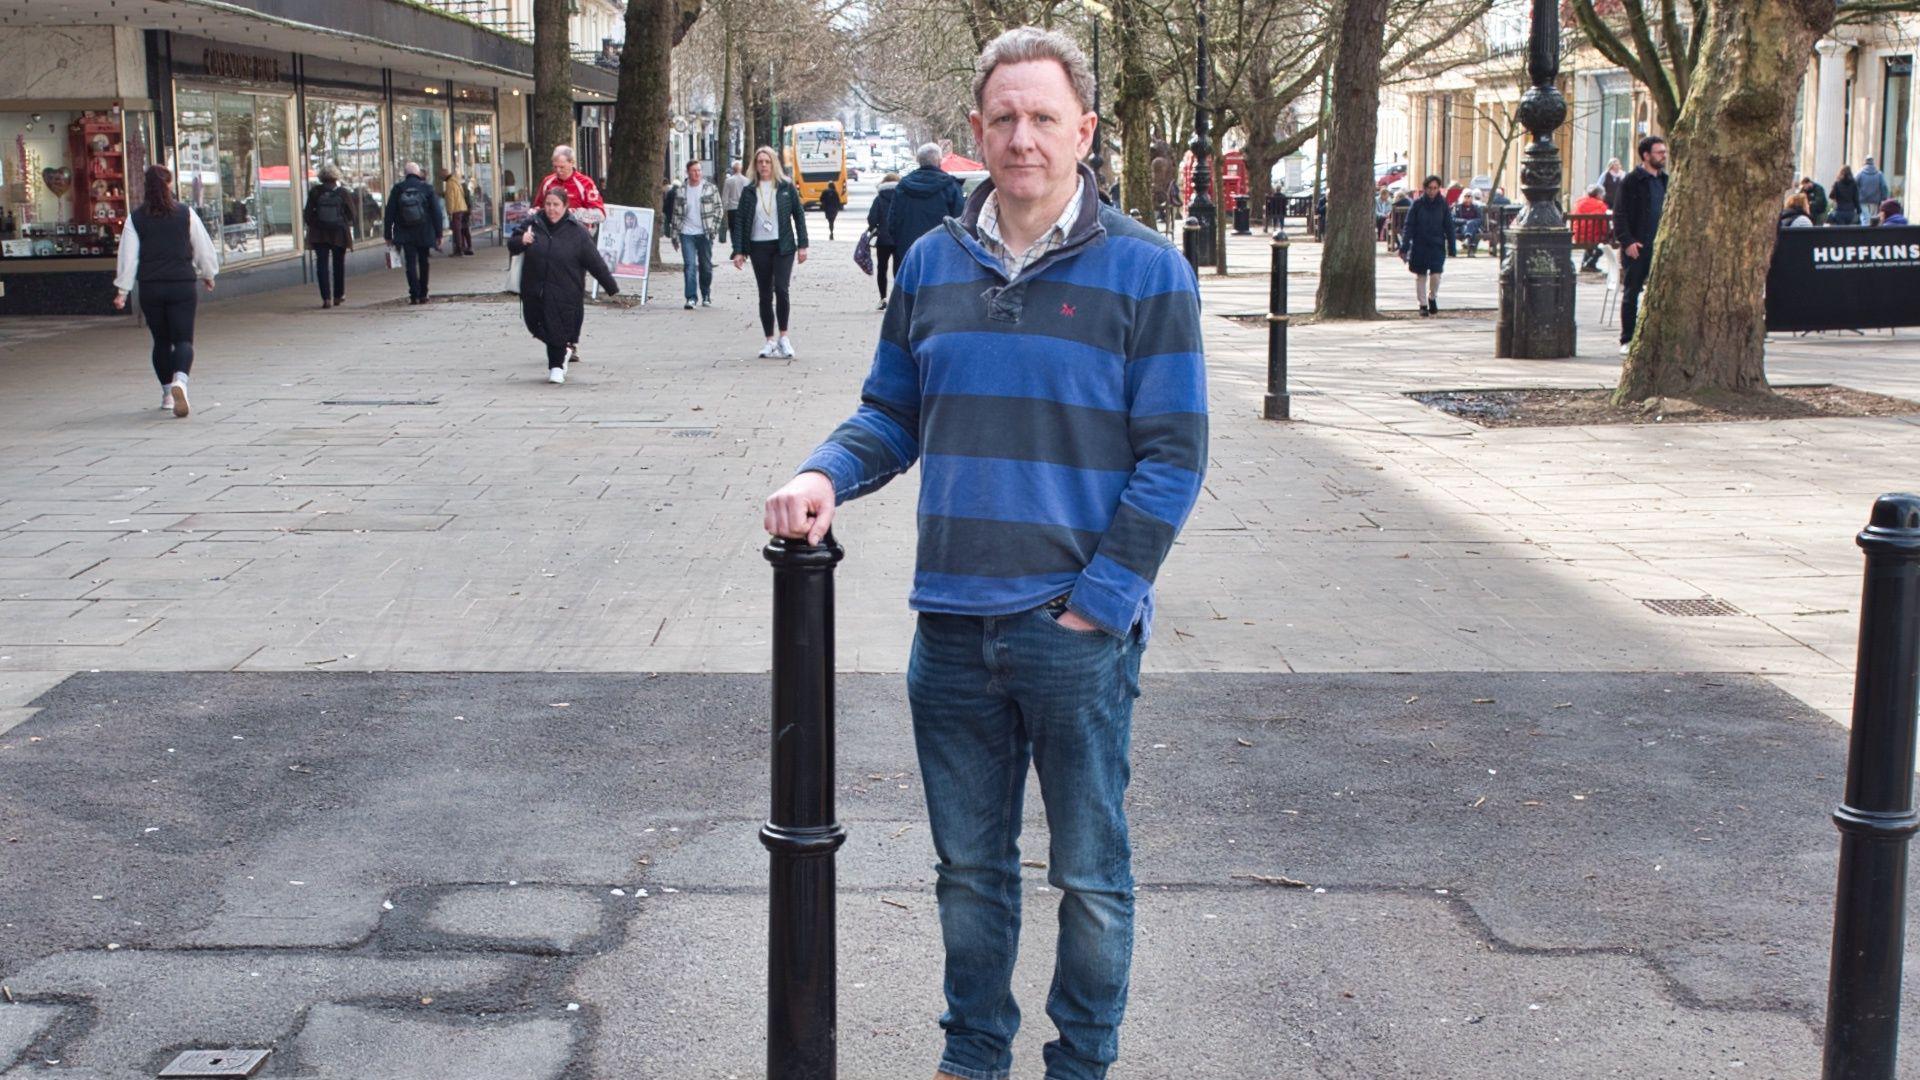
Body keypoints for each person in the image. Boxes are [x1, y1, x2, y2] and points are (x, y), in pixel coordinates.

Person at [761, 27, 1206, 1080]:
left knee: (1091, 876)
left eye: (1044, 117)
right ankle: (974, 1062)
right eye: (1003, 117)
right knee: (969, 873)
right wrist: (824, 474)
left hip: (1073, 634)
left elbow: (1174, 457)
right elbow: (890, 413)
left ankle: (1081, 1065)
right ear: (975, 130)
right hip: (951, 630)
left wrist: (1099, 602)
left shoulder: (1146, 272)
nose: (1023, 138)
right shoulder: (930, 262)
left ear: (1082, 131)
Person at [113, 164, 218, 417]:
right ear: (169, 185)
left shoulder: (135, 218)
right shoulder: (185, 213)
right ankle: (181, 380)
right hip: (182, 283)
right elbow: (202, 246)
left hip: (151, 286)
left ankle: (167, 393)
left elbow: (129, 258)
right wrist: (208, 273)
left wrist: (123, 291)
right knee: (183, 340)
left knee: (161, 341)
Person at [507, 187, 619, 385]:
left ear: (565, 206)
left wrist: (611, 288)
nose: (551, 209)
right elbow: (513, 244)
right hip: (534, 289)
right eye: (548, 204)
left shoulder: (577, 232)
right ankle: (565, 349)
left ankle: (556, 367)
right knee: (534, 325)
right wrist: (521, 240)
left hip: (565, 291)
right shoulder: (533, 223)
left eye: (556, 205)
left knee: (556, 328)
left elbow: (595, 262)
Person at [730, 145, 809, 357]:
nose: (763, 165)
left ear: (773, 163)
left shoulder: (785, 187)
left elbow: (798, 216)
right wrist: (738, 251)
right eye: (760, 162)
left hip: (783, 246)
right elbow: (740, 221)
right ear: (755, 165)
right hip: (758, 246)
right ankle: (769, 340)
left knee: (781, 289)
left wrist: (803, 245)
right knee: (765, 293)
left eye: (767, 161)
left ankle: (784, 337)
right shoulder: (749, 191)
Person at [1613, 134, 1667, 354]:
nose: (1663, 156)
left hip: (1660, 246)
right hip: (1638, 246)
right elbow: (1620, 213)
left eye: (1664, 152)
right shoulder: (1631, 181)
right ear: (1646, 155)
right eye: (1659, 152)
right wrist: (1627, 242)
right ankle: (1627, 339)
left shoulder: (1665, 180)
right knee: (1631, 292)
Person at [664, 158, 724, 309]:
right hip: (687, 233)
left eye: (699, 170)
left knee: (706, 266)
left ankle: (706, 294)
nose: (697, 173)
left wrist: (714, 229)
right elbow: (676, 215)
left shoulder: (710, 188)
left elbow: (719, 210)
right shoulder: (681, 191)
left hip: (705, 233)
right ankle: (691, 297)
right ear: (688, 172)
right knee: (689, 265)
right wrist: (674, 237)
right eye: (694, 171)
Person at [383, 162, 445, 304]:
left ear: (405, 174)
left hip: (405, 233)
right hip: (424, 231)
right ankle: (424, 293)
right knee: (424, 262)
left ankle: (414, 294)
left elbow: (389, 213)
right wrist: (439, 234)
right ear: (418, 174)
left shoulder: (398, 189)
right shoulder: (427, 188)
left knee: (410, 263)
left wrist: (388, 235)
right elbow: (436, 212)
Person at [888, 142, 966, 255]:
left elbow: (892, 221)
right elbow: (960, 222)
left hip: (908, 251)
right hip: (942, 253)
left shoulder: (902, 187)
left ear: (919, 160)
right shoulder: (951, 187)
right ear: (940, 160)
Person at [303, 162, 358, 309]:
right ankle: (338, 296)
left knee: (322, 264)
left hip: (319, 234)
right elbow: (352, 214)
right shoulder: (343, 193)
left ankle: (326, 298)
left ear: (322, 177)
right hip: (339, 233)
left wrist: (316, 223)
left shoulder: (315, 192)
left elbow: (307, 214)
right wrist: (343, 222)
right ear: (336, 177)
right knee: (338, 264)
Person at [1400, 174, 1455, 315]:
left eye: (1435, 188)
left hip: (1437, 244)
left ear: (1439, 189)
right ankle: (1423, 304)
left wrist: (1452, 246)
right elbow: (1409, 226)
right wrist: (1404, 246)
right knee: (1421, 275)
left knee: (1436, 275)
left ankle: (1432, 297)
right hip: (1420, 244)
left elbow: (1448, 225)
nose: (1432, 191)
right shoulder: (1417, 204)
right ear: (1425, 188)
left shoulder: (1443, 204)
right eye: (1430, 188)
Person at [537, 145, 606, 227]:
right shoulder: (547, 182)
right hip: (552, 234)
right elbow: (537, 209)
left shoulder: (585, 183)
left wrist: (573, 214)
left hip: (578, 234)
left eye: (562, 167)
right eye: (555, 167)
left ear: (572, 163)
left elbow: (600, 214)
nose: (558, 171)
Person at [867, 170, 901, 309]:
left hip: (883, 239)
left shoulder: (879, 199)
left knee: (882, 268)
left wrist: (874, 228)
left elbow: (872, 218)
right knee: (898, 269)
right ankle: (897, 298)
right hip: (899, 238)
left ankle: (883, 298)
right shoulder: (902, 197)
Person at [1571, 184, 1610, 271]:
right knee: (1605, 241)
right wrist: (1608, 233)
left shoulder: (1579, 202)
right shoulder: (1601, 205)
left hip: (1578, 236)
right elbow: (1604, 225)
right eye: (1602, 195)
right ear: (1598, 195)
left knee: (1591, 238)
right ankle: (1590, 263)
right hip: (1592, 237)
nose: (1603, 197)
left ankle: (1586, 264)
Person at [442, 168, 473, 255]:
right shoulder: (456, 182)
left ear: (445, 175)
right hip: (461, 207)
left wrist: (450, 211)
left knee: (457, 230)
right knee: (461, 229)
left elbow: (450, 198)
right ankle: (462, 248)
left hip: (456, 209)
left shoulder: (450, 183)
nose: (441, 177)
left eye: (442, 175)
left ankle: (459, 250)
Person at [722, 160, 748, 241]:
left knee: (733, 229)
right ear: (741, 169)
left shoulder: (728, 181)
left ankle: (735, 244)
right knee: (743, 229)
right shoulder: (746, 181)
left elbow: (725, 196)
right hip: (743, 208)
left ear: (733, 169)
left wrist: (724, 208)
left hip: (732, 209)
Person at [1857, 157, 1890, 223]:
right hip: (1875, 200)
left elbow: (1854, 184)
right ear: (1873, 163)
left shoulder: (1860, 173)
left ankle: (1864, 231)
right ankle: (1872, 232)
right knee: (1874, 218)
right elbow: (1884, 186)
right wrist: (1884, 198)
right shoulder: (1879, 174)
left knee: (1864, 218)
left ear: (1865, 163)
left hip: (1863, 200)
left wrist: (1856, 196)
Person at [1452, 191, 1483, 255]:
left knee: (1471, 226)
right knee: (1467, 227)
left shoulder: (1475, 207)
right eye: (1466, 196)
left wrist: (1471, 222)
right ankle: (1471, 250)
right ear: (1462, 197)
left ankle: (1467, 239)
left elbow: (1480, 219)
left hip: (1474, 227)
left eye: (1470, 196)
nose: (1468, 198)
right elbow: (1453, 219)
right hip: (1461, 227)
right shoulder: (1457, 207)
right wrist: (1465, 221)